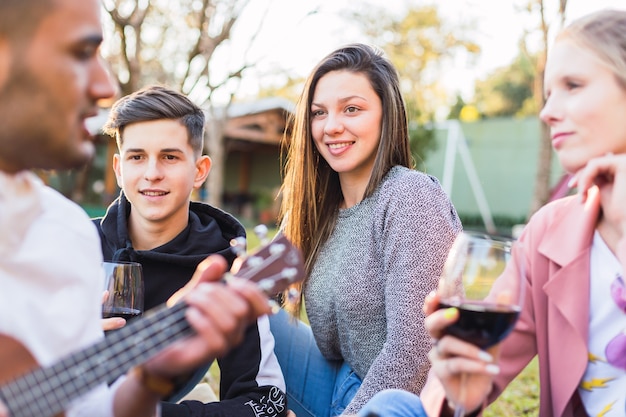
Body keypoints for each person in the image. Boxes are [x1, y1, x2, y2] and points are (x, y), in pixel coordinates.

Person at [0, 1, 273, 417]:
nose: (105, 84)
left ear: (200, 170)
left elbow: (89, 411)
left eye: (169, 157)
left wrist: (149, 378)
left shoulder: (65, 232)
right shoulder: (85, 239)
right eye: (80, 53)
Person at [354, 8, 626, 417]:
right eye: (548, 93)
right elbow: (467, 381)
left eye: (573, 85)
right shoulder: (550, 233)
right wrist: (460, 388)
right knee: (395, 406)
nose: (548, 112)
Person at [269, 43, 462, 417]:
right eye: (319, 113)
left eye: (352, 109)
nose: (332, 126)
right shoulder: (318, 208)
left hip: (401, 402)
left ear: (385, 116)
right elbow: (257, 293)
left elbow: (413, 354)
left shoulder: (411, 197)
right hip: (335, 384)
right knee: (241, 314)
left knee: (391, 404)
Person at [94, 84, 288, 417]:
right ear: (118, 168)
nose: (152, 174)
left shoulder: (226, 268)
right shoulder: (77, 245)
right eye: (137, 157)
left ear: (199, 171)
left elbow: (266, 402)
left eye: (169, 157)